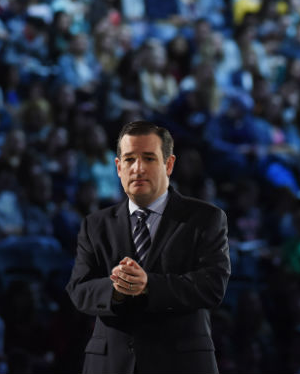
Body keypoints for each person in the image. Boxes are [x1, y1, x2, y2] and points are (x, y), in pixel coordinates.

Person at [66, 120, 231, 374]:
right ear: (118, 167)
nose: (138, 168)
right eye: (129, 159)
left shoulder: (206, 218)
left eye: (149, 158)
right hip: (110, 365)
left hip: (180, 364)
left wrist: (148, 286)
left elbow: (212, 286)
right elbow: (79, 288)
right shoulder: (94, 225)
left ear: (169, 164)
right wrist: (117, 290)